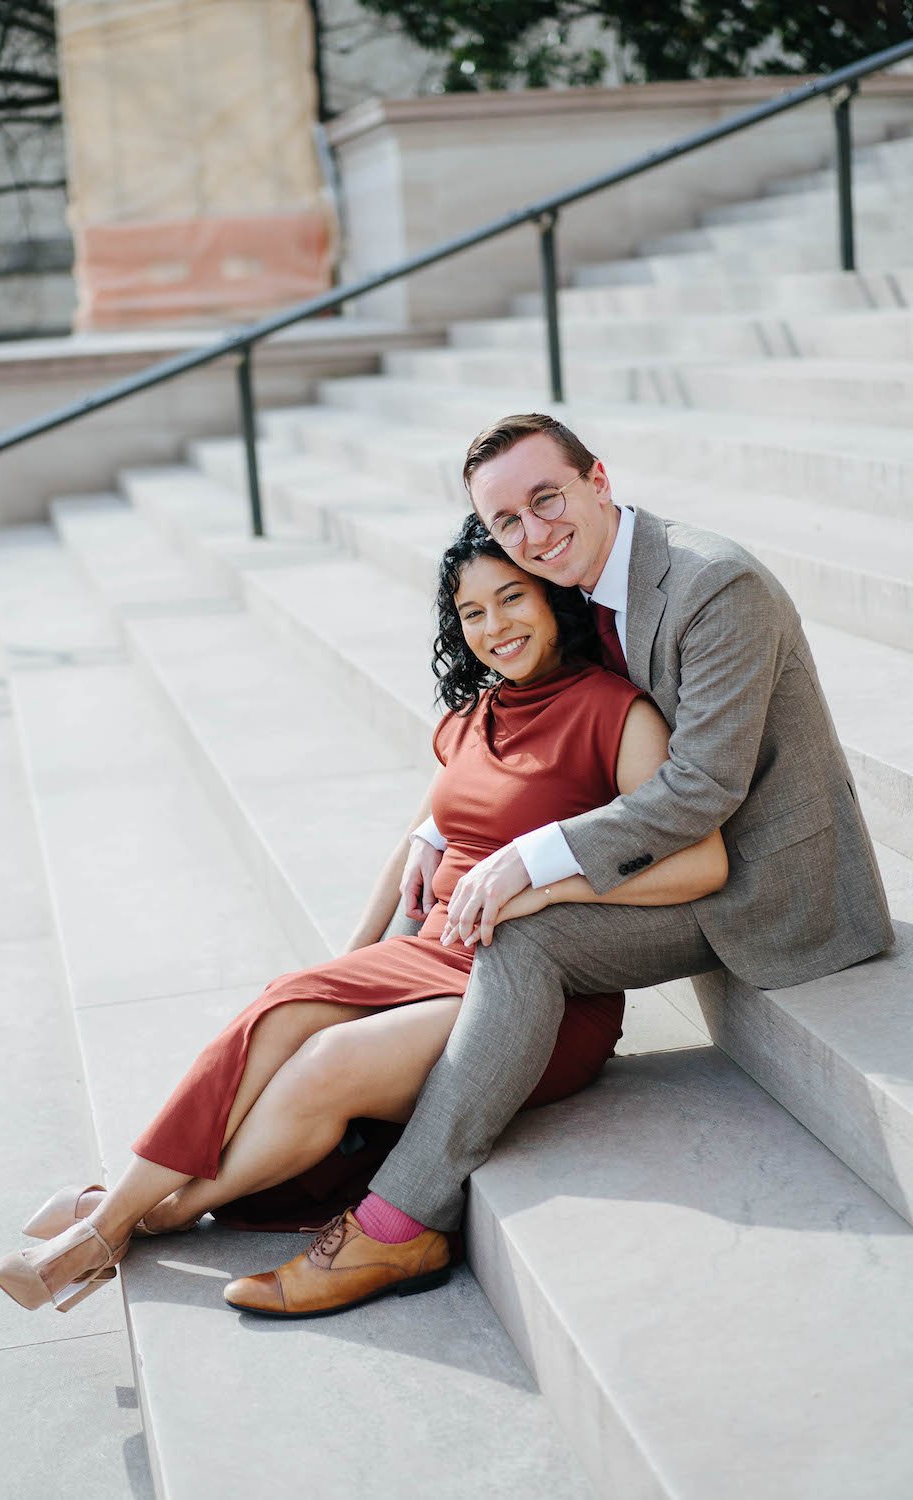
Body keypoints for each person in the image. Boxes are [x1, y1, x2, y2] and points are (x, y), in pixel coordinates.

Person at [0, 515, 729, 1318]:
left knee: (327, 1063)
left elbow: (697, 864)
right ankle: (123, 1215)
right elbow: (417, 842)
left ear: (555, 599)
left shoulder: (617, 715)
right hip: (430, 958)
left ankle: (129, 1219)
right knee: (285, 1010)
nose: (494, 627)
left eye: (512, 598)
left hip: (535, 990)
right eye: (472, 613)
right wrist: (342, 968)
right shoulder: (468, 722)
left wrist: (550, 889)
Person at [243, 410, 894, 1318]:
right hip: (655, 858)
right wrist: (442, 827)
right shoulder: (574, 578)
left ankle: (397, 1222)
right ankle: (319, 1126)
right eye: (507, 522)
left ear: (598, 480)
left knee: (522, 928)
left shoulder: (714, 584)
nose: (532, 534)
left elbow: (702, 789)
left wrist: (528, 856)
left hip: (759, 881)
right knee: (436, 890)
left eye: (546, 500)